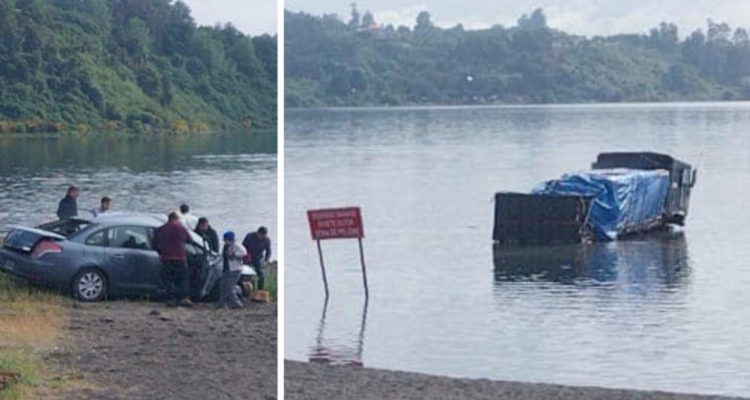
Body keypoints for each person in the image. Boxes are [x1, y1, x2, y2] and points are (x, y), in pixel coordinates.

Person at [154, 212, 193, 307]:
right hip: (180, 257)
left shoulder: (161, 229)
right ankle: (183, 298)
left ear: (168, 219)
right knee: (182, 278)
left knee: (168, 279)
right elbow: (190, 240)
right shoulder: (181, 228)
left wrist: (161, 252)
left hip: (166, 257)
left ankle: (170, 299)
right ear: (176, 219)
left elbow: (154, 243)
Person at [218, 231, 247, 309]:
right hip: (226, 268)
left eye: (225, 239)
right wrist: (213, 263)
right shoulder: (225, 246)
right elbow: (222, 257)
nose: (224, 241)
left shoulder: (237, 245)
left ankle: (236, 303)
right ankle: (221, 303)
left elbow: (244, 253)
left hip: (235, 269)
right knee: (223, 285)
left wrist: (234, 254)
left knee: (230, 287)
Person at [242, 226, 272, 291]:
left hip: (257, 258)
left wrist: (266, 260)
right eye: (261, 235)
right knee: (243, 274)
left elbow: (268, 251)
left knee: (261, 275)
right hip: (247, 256)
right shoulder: (249, 236)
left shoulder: (267, 240)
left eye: (264, 236)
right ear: (258, 233)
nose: (262, 237)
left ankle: (260, 290)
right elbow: (243, 247)